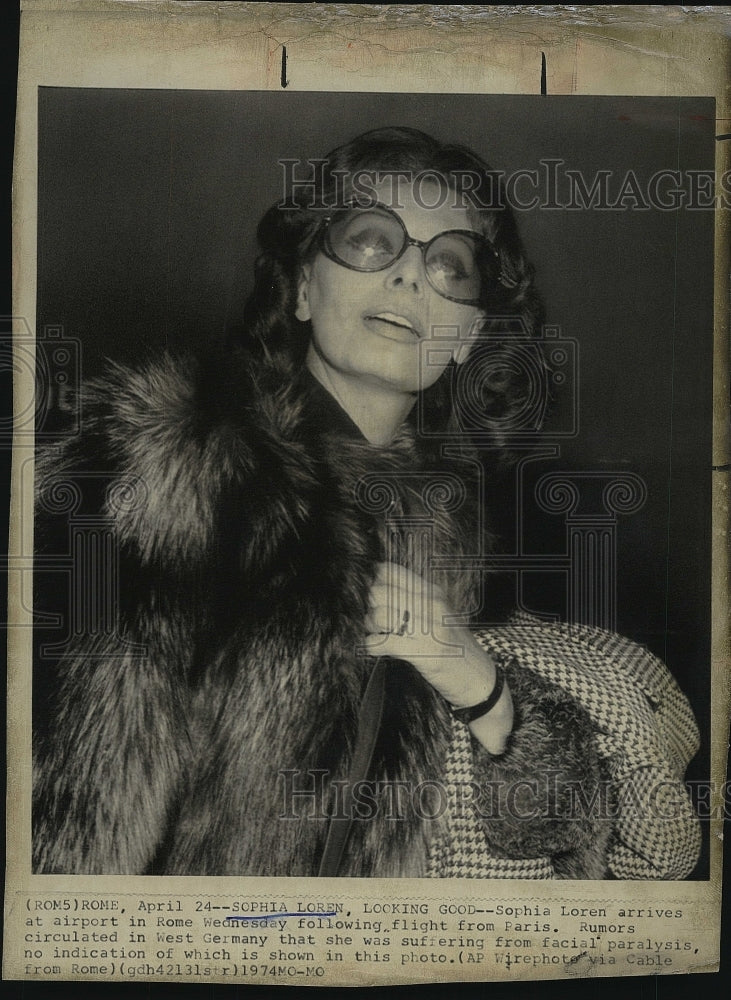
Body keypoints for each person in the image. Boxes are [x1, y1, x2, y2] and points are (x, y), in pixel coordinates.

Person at [32, 126, 701, 879]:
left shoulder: (452, 525)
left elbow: (569, 839)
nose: (410, 277)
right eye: (372, 241)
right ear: (301, 288)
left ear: (466, 335)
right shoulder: (170, 456)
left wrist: (481, 689)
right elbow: (73, 818)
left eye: (449, 263)